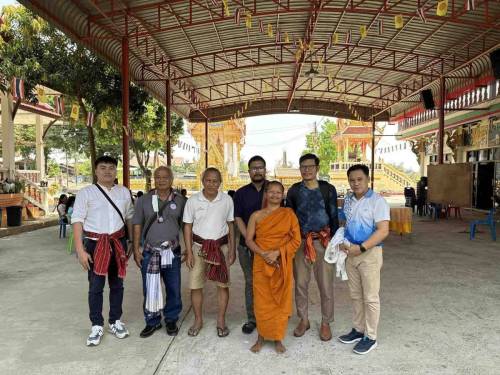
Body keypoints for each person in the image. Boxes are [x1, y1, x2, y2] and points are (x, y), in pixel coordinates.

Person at [72, 156, 134, 347]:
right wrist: (80, 250)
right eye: (103, 168)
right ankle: (96, 324)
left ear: (116, 171)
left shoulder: (124, 192)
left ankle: (115, 321)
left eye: (111, 168)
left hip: (118, 242)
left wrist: (130, 241)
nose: (107, 171)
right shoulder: (86, 193)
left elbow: (130, 217)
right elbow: (77, 220)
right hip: (95, 243)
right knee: (95, 286)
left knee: (117, 285)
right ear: (96, 171)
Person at [286, 153, 339, 341]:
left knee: (325, 285)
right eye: (303, 166)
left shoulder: (327, 189)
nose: (306, 170)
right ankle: (304, 319)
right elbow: (289, 219)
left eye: (310, 166)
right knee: (300, 284)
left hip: (323, 242)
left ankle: (325, 322)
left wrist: (334, 242)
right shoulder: (293, 191)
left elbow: (333, 216)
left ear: (317, 167)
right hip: (300, 243)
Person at [338, 164, 390, 355]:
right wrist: (343, 243)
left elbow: (383, 230)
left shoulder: (378, 201)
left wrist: (361, 248)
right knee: (355, 295)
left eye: (359, 179)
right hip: (350, 252)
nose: (355, 183)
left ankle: (371, 336)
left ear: (367, 180)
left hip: (369, 253)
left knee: (370, 297)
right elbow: (346, 222)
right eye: (352, 180)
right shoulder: (348, 200)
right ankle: (358, 330)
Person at [245, 181, 301, 354]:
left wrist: (277, 253)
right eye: (272, 192)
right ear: (266, 194)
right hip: (261, 263)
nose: (275, 195)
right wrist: (263, 254)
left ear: (283, 195)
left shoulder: (289, 214)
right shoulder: (256, 215)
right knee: (262, 302)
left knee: (280, 301)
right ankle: (261, 337)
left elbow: (296, 240)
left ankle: (278, 337)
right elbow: (248, 240)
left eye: (279, 192)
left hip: (281, 263)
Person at [132, 166, 185, 338]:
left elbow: (186, 226)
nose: (161, 180)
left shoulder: (181, 200)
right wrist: (135, 248)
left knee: (173, 287)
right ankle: (152, 321)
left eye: (165, 177)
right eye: (158, 177)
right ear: (154, 179)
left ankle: (171, 319)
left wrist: (186, 248)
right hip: (149, 252)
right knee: (150, 287)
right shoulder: (144, 200)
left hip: (172, 251)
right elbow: (137, 224)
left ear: (171, 179)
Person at [183, 167, 235, 337]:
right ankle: (198, 320)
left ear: (220, 183)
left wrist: (232, 249)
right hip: (199, 248)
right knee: (196, 285)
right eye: (208, 180)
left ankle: (221, 319)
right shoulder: (193, 201)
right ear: (202, 181)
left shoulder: (227, 200)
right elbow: (188, 226)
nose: (212, 184)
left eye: (215, 181)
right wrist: (189, 252)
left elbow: (231, 225)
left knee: (222, 285)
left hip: (221, 247)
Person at [233, 155, 268, 334]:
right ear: (249, 171)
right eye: (254, 168)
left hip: (268, 247)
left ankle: (268, 316)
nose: (257, 171)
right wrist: (248, 236)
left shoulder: (273, 190)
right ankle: (252, 318)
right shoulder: (241, 193)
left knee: (269, 281)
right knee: (251, 281)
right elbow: (237, 216)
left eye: (260, 167)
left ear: (265, 169)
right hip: (246, 245)